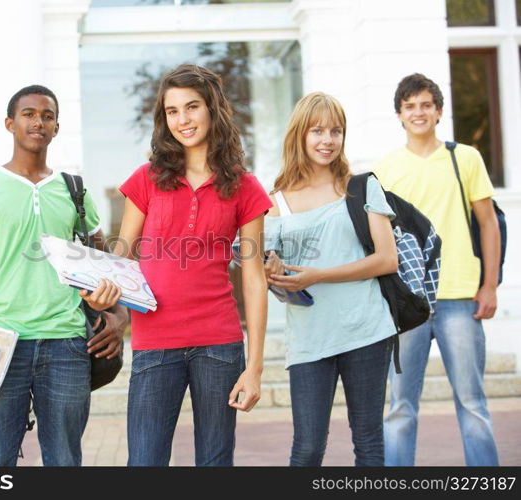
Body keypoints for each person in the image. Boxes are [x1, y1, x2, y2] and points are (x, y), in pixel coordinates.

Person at [0, 84, 127, 466]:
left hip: (67, 344)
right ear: (10, 124)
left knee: (64, 461)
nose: (38, 122)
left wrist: (118, 316)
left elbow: (103, 265)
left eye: (47, 115)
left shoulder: (74, 191)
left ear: (56, 127)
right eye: (28, 114)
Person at [113, 64, 271, 466]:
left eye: (192, 107)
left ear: (212, 109)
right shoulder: (146, 179)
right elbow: (121, 259)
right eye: (172, 111)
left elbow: (253, 279)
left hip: (219, 344)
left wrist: (254, 367)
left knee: (215, 464)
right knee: (145, 463)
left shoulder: (244, 186)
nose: (182, 119)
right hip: (154, 342)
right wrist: (102, 296)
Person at [264, 92, 399, 466]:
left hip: (366, 329)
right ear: (300, 136)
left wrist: (320, 274)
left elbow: (387, 259)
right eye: (317, 130)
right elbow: (270, 273)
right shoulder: (277, 201)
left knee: (369, 441)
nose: (327, 140)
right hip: (309, 337)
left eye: (335, 131)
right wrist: (272, 271)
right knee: (307, 448)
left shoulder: (361, 187)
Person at [373, 73, 501, 466]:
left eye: (426, 105)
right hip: (409, 303)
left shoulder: (465, 158)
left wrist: (490, 286)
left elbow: (488, 223)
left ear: (439, 111)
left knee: (472, 402)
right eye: (410, 106)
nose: (418, 112)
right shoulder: (386, 169)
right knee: (399, 407)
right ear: (399, 114)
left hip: (460, 296)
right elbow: (382, 239)